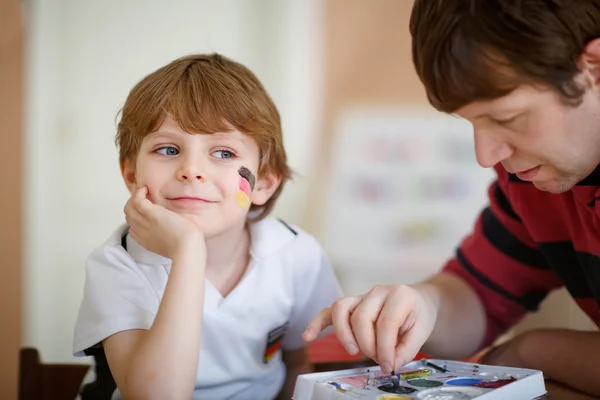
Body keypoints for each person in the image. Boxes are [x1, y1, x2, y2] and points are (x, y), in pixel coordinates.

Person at [303, 1, 600, 397]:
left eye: (507, 119)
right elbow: (479, 294)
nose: (486, 156)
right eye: (472, 122)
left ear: (594, 68)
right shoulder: (534, 183)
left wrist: (531, 350)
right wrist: (422, 305)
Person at [72, 53, 342, 400]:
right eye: (168, 149)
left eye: (224, 153)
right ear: (131, 175)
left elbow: (298, 364)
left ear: (264, 183)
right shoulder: (117, 265)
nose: (192, 169)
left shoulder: (296, 254)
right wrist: (187, 252)